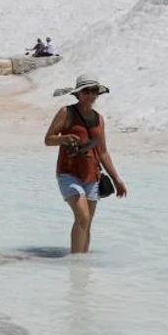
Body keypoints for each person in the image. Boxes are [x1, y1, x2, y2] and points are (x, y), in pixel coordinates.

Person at [44, 73, 128, 254]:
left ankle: (81, 262)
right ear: (78, 93)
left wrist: (117, 180)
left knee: (87, 221)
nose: (90, 95)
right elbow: (48, 139)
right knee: (82, 216)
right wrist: (63, 138)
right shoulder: (66, 112)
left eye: (94, 91)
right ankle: (75, 259)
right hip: (68, 172)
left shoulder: (99, 119)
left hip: (91, 175)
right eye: (86, 91)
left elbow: (102, 152)